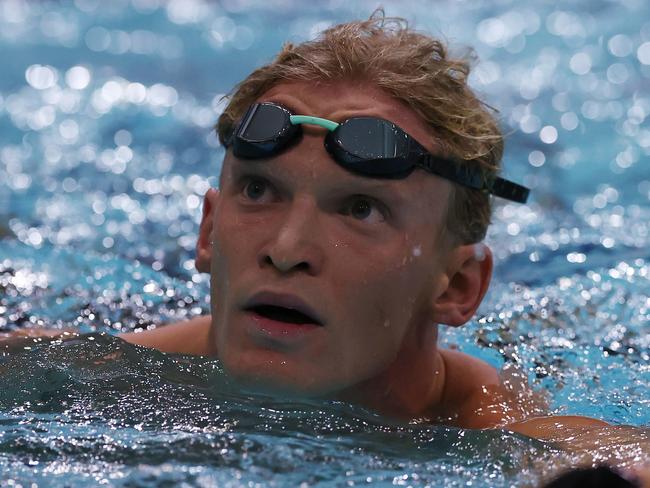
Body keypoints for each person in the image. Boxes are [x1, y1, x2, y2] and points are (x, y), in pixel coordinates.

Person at [3, 12, 648, 479]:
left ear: (456, 288)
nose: (287, 251)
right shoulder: (95, 373)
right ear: (206, 231)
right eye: (258, 191)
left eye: (360, 208)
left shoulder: (490, 433)